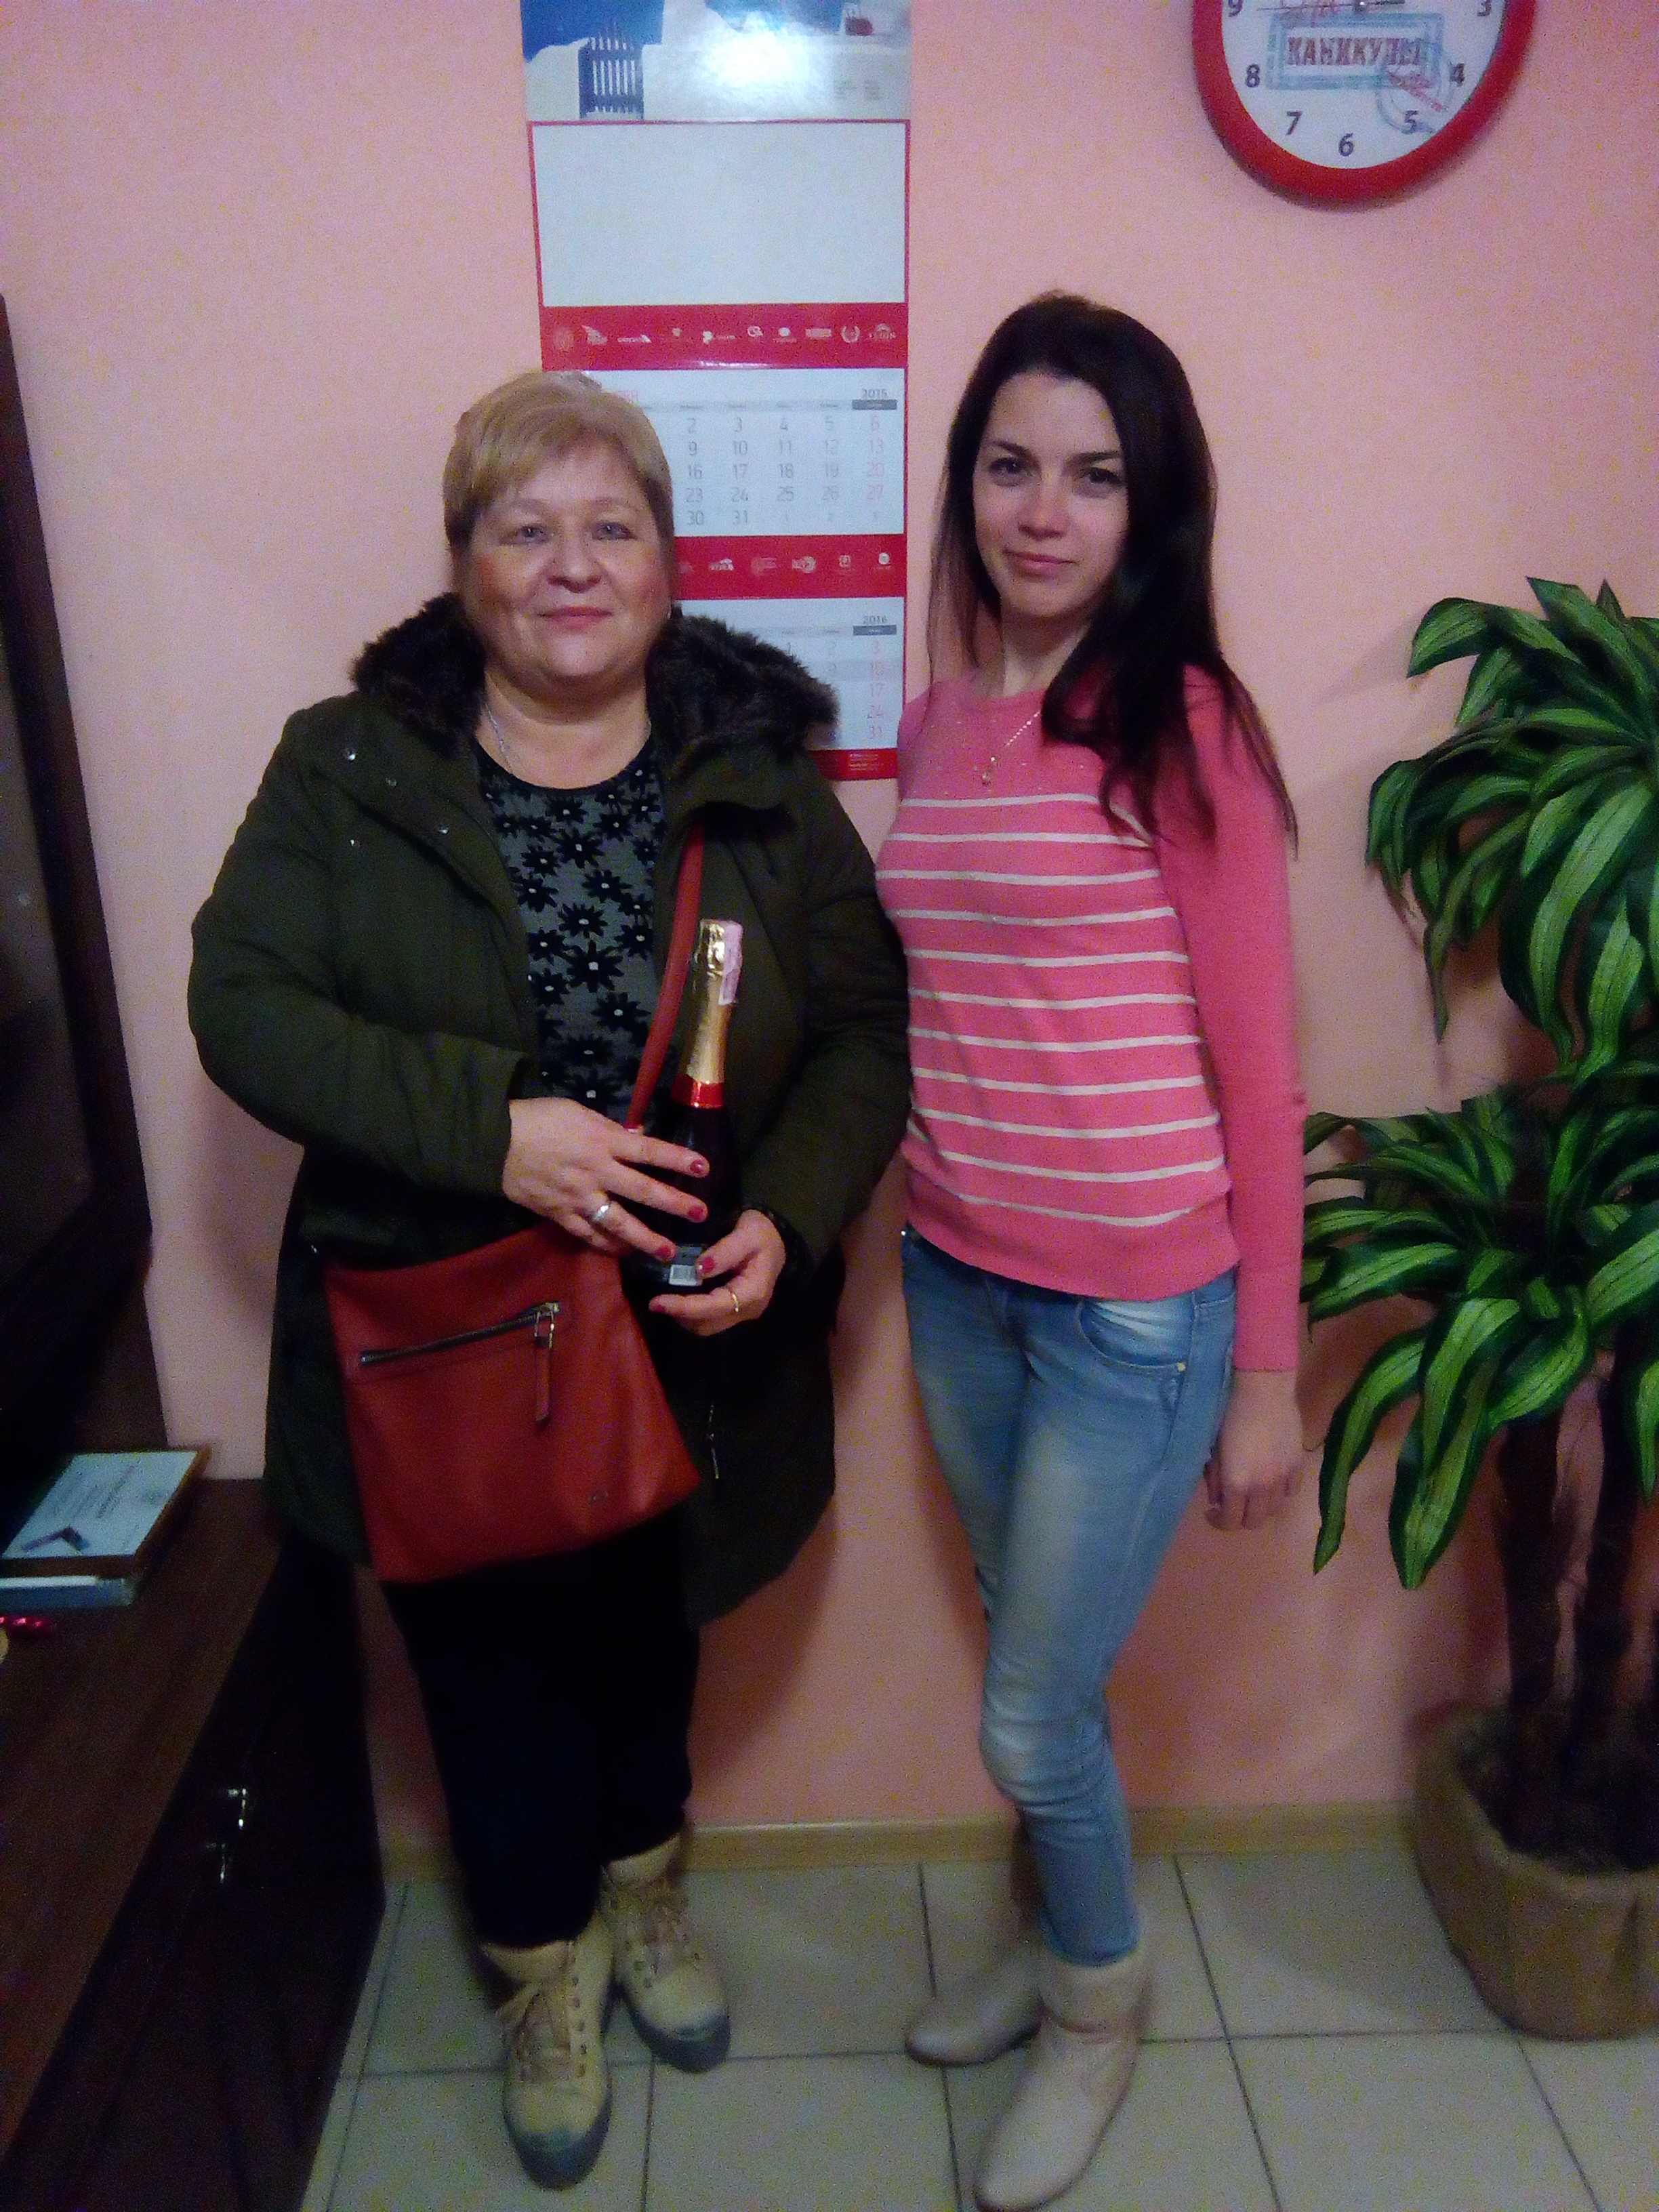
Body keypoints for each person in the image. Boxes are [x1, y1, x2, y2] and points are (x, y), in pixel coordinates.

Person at [189, 370, 909, 2191]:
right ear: (467, 567)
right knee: (486, 1672)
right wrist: (491, 1133)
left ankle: (648, 1892)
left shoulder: (760, 778)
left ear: (668, 562)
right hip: (445, 1344)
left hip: (690, 1336)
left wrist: (793, 1216)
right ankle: (541, 1970)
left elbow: (864, 1030)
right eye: (527, 528)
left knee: (652, 1637)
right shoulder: (347, 767)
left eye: (612, 526)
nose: (573, 565)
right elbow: (242, 1006)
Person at [876, 295, 1306, 2211]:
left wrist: (1266, 1376)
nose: (1044, 512)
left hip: (1140, 1309)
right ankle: (1059, 1941)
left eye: (1095, 475)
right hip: (956, 1272)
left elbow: (1263, 1074)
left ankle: (1097, 2012)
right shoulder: (937, 725)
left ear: (1153, 507)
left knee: (1030, 1711)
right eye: (1011, 466)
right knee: (1039, 1671)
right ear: (967, 484)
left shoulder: (1183, 725)